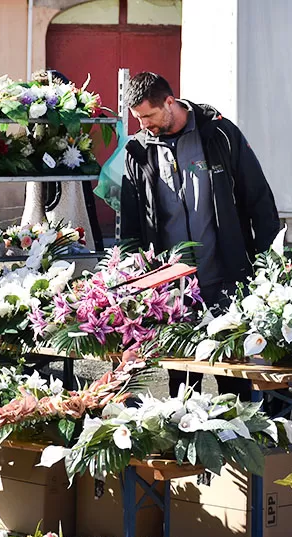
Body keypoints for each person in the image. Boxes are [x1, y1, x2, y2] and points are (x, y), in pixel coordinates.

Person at [119, 72, 281, 397]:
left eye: (149, 116)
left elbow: (259, 199)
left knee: (232, 373)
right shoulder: (138, 151)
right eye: (138, 118)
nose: (144, 125)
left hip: (225, 278)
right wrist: (130, 276)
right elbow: (130, 225)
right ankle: (189, 441)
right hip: (174, 288)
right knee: (181, 377)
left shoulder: (219, 133)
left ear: (169, 102)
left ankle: (237, 439)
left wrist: (267, 264)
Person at [21, 70, 105, 251]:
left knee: (70, 220)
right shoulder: (34, 115)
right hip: (45, 174)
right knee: (40, 219)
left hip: (67, 173)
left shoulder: (68, 117)